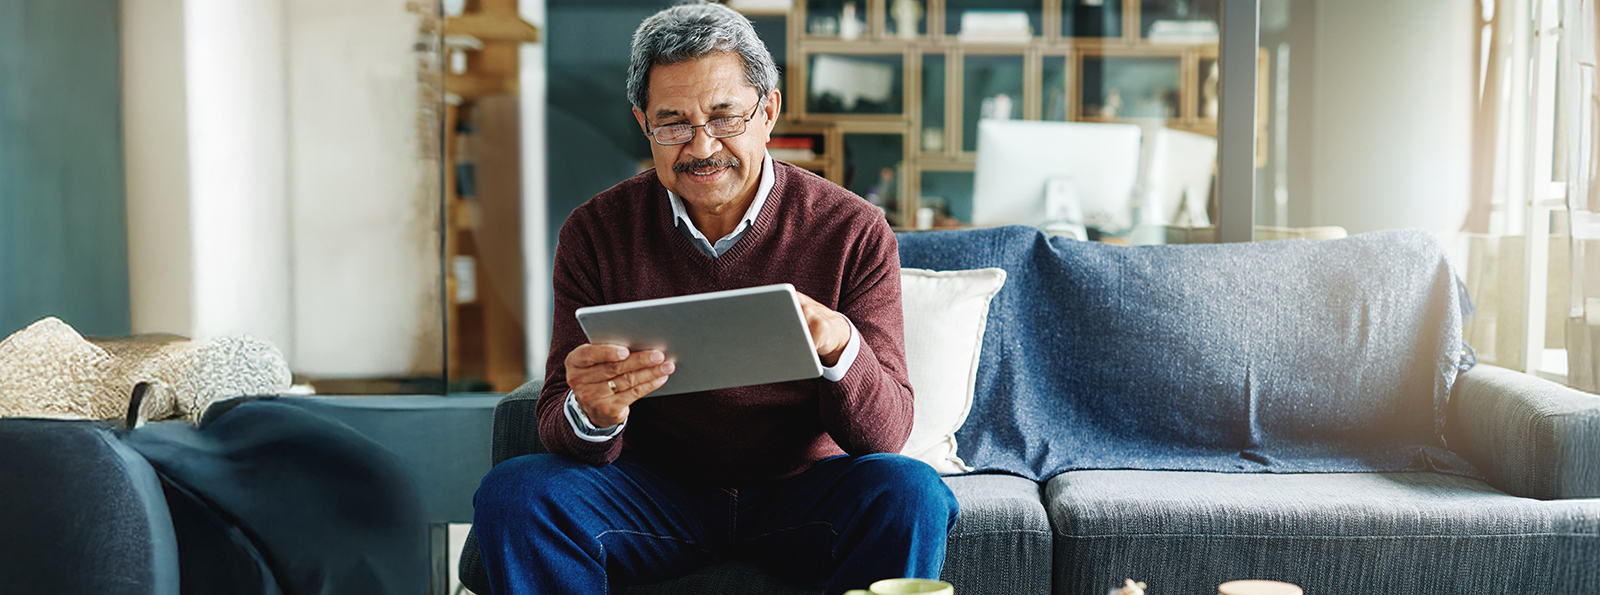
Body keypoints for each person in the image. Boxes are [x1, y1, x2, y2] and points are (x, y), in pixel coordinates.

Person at [471, 3, 959, 595]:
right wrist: (594, 413)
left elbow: (886, 435)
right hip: (653, 494)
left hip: (805, 493)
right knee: (517, 492)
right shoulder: (595, 231)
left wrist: (838, 346)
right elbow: (556, 424)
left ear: (768, 111)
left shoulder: (853, 230)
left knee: (912, 492)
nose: (702, 146)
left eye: (725, 116)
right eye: (673, 122)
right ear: (643, 123)